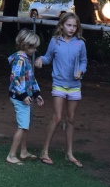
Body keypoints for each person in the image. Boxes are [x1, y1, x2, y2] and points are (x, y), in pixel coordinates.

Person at [35, 11, 87, 167]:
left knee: (71, 118)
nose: (71, 28)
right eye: (68, 25)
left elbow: (84, 61)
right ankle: (44, 152)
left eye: (74, 26)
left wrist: (81, 71)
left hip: (74, 86)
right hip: (59, 83)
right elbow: (48, 57)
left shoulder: (80, 43)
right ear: (62, 26)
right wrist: (39, 59)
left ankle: (69, 153)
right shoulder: (55, 41)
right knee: (57, 117)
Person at [5, 29, 44, 164]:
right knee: (23, 126)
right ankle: (11, 155)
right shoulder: (20, 60)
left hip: (23, 96)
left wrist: (36, 93)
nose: (35, 50)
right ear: (26, 45)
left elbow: (30, 79)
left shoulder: (25, 59)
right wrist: (22, 95)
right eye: (33, 47)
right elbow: (15, 78)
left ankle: (23, 151)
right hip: (19, 97)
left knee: (25, 124)